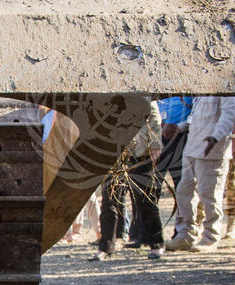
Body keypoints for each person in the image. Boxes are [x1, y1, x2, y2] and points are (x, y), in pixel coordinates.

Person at [93, 104, 163, 260]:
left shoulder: (142, 92)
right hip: (114, 151)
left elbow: (154, 117)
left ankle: (156, 243)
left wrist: (155, 143)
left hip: (140, 152)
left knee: (144, 199)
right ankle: (105, 247)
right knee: (109, 200)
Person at [166, 95, 235, 252]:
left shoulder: (225, 86)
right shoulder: (203, 86)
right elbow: (196, 115)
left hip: (212, 149)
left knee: (209, 194)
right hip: (192, 146)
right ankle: (185, 234)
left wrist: (215, 137)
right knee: (184, 191)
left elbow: (229, 115)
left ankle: (211, 238)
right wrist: (180, 127)